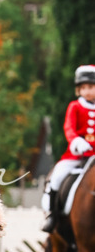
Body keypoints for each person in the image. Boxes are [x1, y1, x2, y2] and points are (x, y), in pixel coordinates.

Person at [41, 65, 95, 232]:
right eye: (83, 88)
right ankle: (52, 216)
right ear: (78, 89)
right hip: (76, 155)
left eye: (91, 87)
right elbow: (69, 128)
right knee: (56, 177)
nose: (87, 91)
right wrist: (76, 142)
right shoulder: (75, 106)